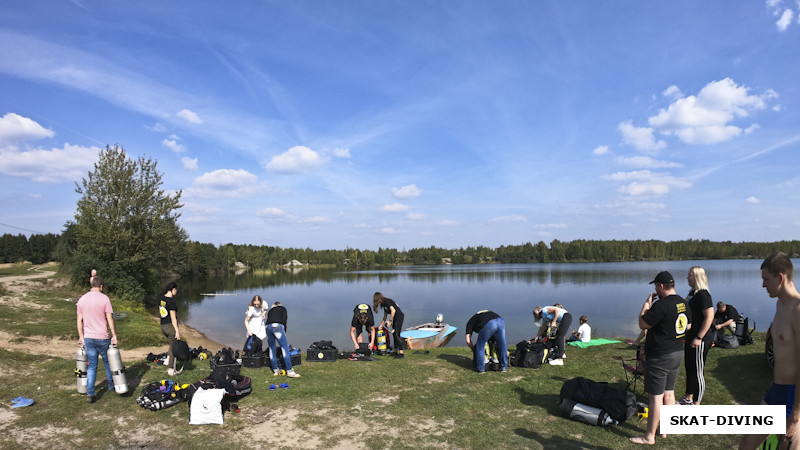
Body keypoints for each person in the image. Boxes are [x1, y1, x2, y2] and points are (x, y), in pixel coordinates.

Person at [739, 252, 800, 449]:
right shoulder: (779, 304)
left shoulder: (798, 310)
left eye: (766, 279)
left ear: (780, 277)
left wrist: (795, 417)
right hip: (776, 390)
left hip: (793, 395)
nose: (763, 285)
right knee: (747, 443)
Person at [630, 271, 690, 445]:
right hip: (678, 352)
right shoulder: (683, 303)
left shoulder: (661, 305)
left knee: (655, 397)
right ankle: (666, 429)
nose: (656, 288)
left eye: (656, 286)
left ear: (661, 286)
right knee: (669, 393)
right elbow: (689, 325)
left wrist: (647, 305)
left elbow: (643, 323)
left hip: (660, 356)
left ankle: (649, 436)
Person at [76, 276, 118, 403]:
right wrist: (114, 335)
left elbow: (79, 320)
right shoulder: (105, 298)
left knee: (92, 366)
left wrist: (81, 336)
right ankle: (111, 386)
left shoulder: (82, 299)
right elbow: (110, 319)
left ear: (92, 285)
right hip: (102, 337)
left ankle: (90, 393)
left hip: (88, 338)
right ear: (101, 286)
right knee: (107, 362)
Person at [681, 266, 715, 406]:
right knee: (689, 367)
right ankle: (688, 397)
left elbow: (709, 316)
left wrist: (699, 337)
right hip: (690, 336)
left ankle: (696, 403)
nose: (687, 277)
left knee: (697, 371)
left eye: (690, 275)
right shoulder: (692, 293)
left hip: (700, 338)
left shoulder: (703, 294)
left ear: (697, 277)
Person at [266, 301, 300, 378]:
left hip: (268, 327)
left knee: (272, 349)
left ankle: (275, 370)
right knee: (284, 348)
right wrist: (284, 331)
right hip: (277, 326)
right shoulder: (283, 308)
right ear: (279, 305)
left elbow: (268, 321)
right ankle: (290, 371)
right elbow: (284, 320)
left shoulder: (271, 310)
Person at [159, 282, 181, 377]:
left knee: (171, 344)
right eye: (176, 290)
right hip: (169, 327)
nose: (176, 292)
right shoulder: (171, 301)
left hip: (163, 325)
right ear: (174, 289)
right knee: (173, 347)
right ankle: (171, 369)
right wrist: (177, 331)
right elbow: (173, 317)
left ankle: (168, 360)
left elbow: (161, 312)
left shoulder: (162, 299)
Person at [374, 292, 405, 358]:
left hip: (399, 317)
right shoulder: (383, 304)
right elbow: (385, 316)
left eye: (377, 300)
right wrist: (381, 325)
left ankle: (401, 353)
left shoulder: (386, 301)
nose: (377, 302)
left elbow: (393, 311)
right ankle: (395, 351)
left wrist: (390, 321)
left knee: (396, 334)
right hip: (395, 318)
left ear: (379, 298)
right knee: (394, 334)